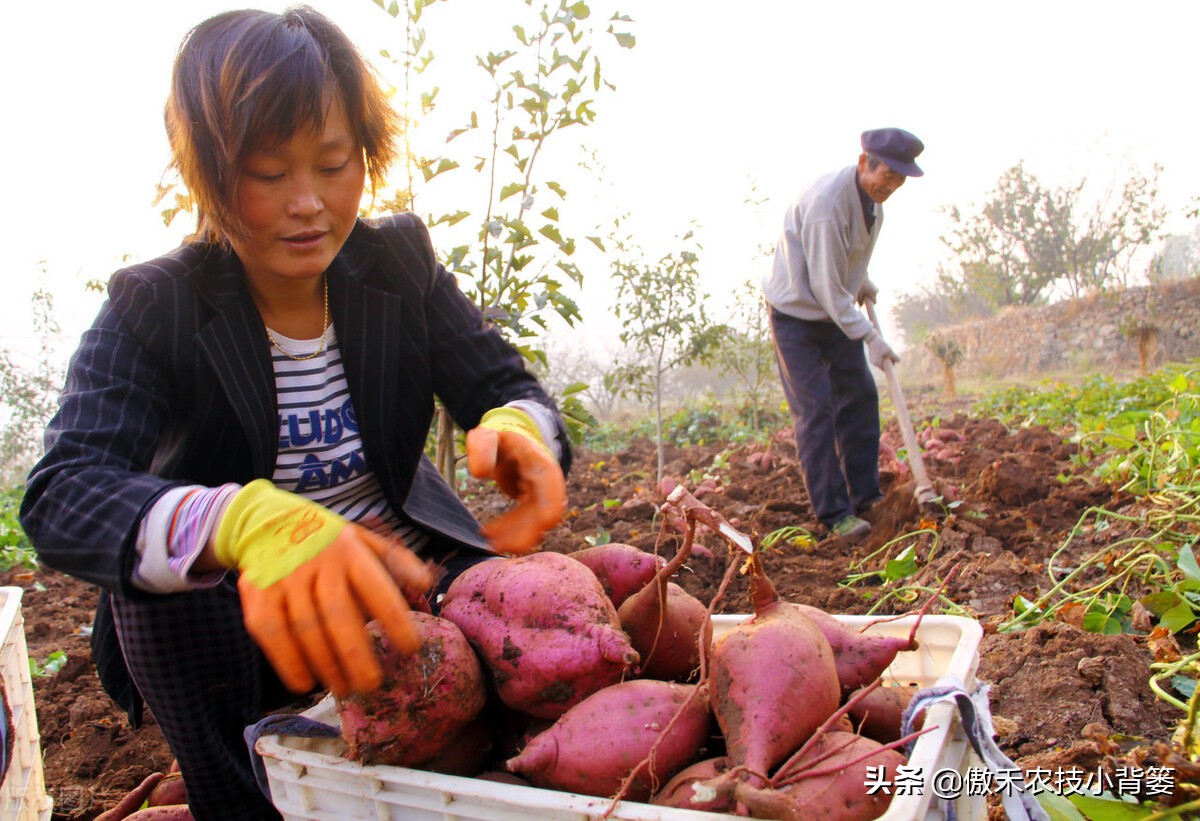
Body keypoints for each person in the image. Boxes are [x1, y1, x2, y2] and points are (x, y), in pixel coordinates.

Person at [19, 7, 570, 820]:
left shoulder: (398, 263)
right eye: (269, 174)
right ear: (205, 171)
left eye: (334, 162)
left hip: (411, 593)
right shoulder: (157, 304)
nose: (309, 203)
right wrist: (242, 520)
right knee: (163, 589)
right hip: (255, 631)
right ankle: (237, 795)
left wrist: (523, 430)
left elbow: (501, 381)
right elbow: (62, 491)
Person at [761, 128, 924, 540]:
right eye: (887, 174)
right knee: (816, 410)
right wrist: (871, 337)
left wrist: (861, 278)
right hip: (796, 314)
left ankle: (865, 496)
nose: (892, 185)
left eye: (900, 179)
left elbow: (844, 261)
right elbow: (827, 290)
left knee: (861, 397)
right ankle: (834, 513)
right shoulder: (825, 206)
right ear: (863, 162)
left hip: (833, 311)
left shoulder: (874, 205)